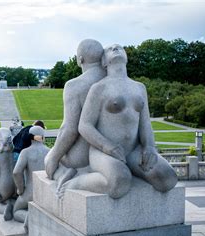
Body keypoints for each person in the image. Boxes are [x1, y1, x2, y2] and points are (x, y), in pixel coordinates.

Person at [58, 44, 177, 199]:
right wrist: (107, 146)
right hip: (102, 152)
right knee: (119, 182)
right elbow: (84, 125)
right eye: (109, 49)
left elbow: (145, 124)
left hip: (133, 151)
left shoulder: (139, 87)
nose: (115, 48)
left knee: (167, 179)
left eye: (119, 47)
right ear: (104, 62)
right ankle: (76, 182)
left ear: (126, 58)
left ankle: (133, 168)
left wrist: (149, 147)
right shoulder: (99, 88)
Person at [44, 39, 106, 193]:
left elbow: (70, 129)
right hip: (113, 151)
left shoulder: (75, 85)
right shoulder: (114, 80)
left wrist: (54, 157)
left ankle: (63, 175)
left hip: (83, 157)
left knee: (48, 158)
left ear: (80, 59)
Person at [12, 126, 50, 232]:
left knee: (16, 211)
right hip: (46, 193)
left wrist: (20, 189)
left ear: (30, 138)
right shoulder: (50, 151)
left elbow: (16, 172)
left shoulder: (26, 152)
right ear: (43, 137)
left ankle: (30, 216)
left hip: (30, 192)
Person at [0, 128, 17, 220]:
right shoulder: (15, 150)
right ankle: (13, 207)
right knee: (14, 201)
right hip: (16, 184)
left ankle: (5, 208)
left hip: (4, 185)